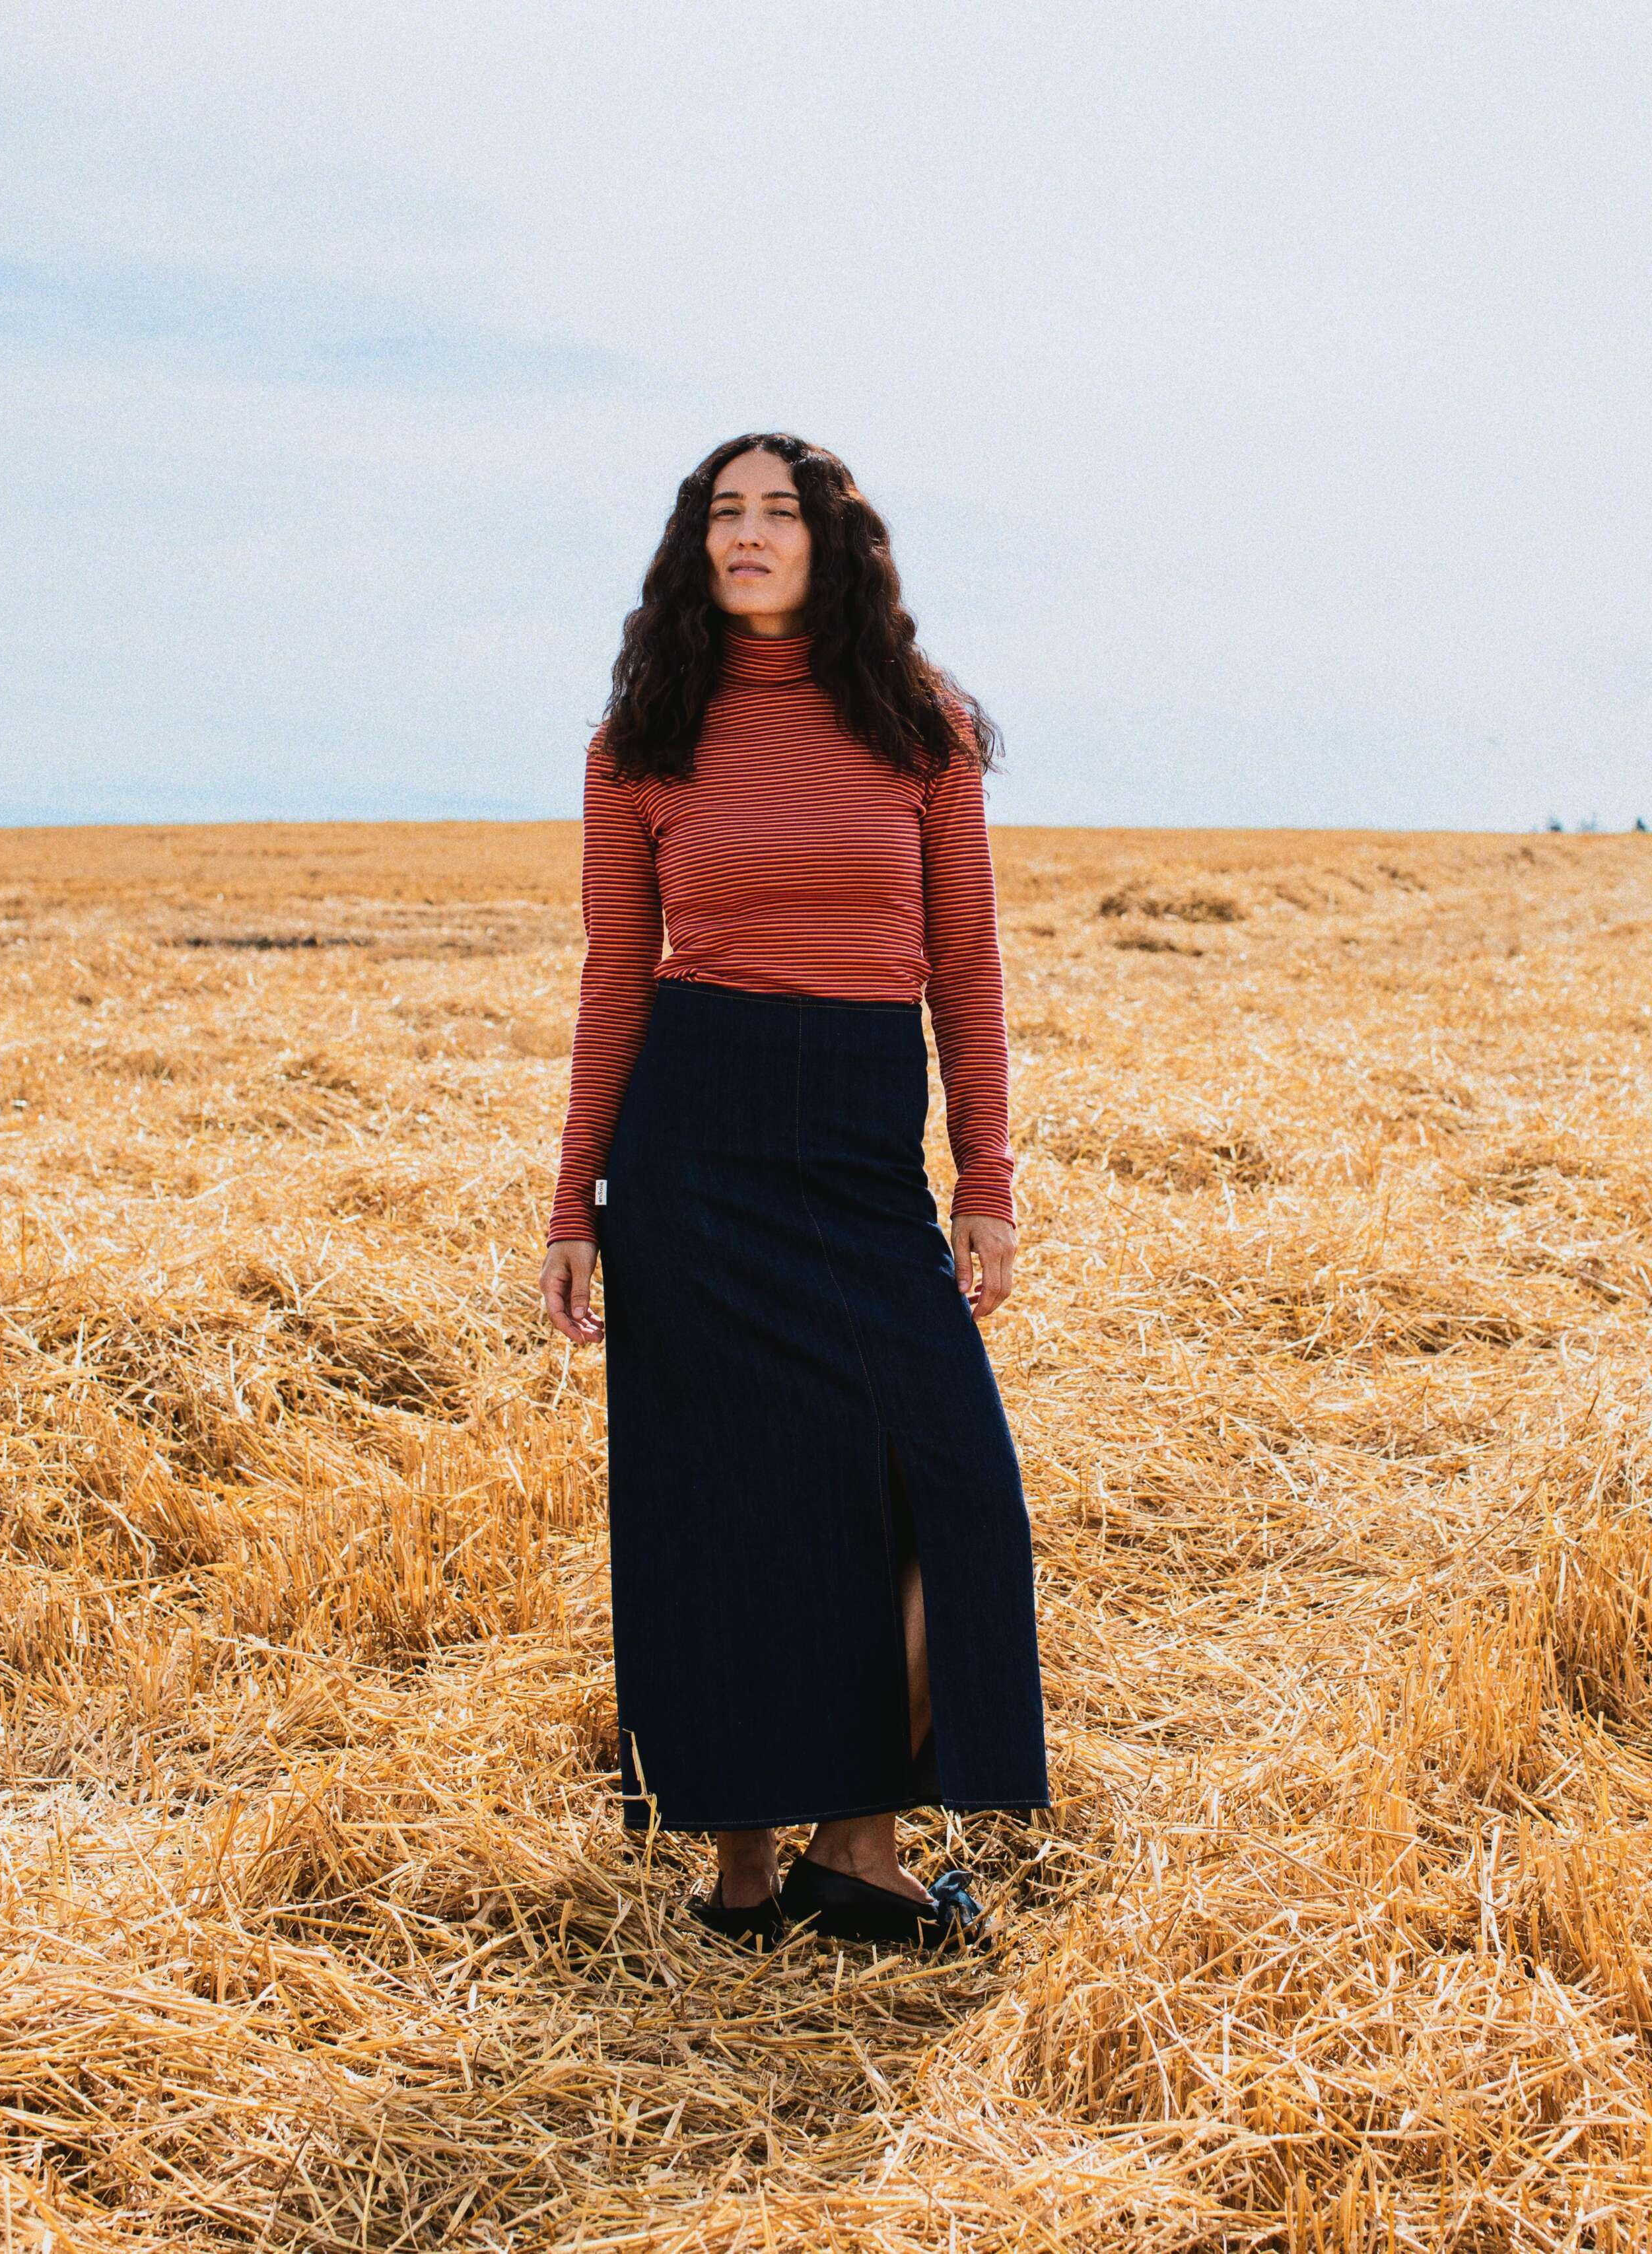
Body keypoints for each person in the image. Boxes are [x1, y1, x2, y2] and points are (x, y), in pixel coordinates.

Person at [538, 432, 1047, 1949]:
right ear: (693, 546)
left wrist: (986, 1174)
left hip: (858, 1133)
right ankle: (750, 1869)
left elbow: (963, 966)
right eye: (722, 512)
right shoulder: (642, 736)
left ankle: (859, 1841)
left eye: (778, 511)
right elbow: (613, 976)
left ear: (834, 544)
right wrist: (573, 1200)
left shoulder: (920, 728)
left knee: (937, 1479)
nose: (747, 533)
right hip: (691, 1132)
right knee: (724, 1500)